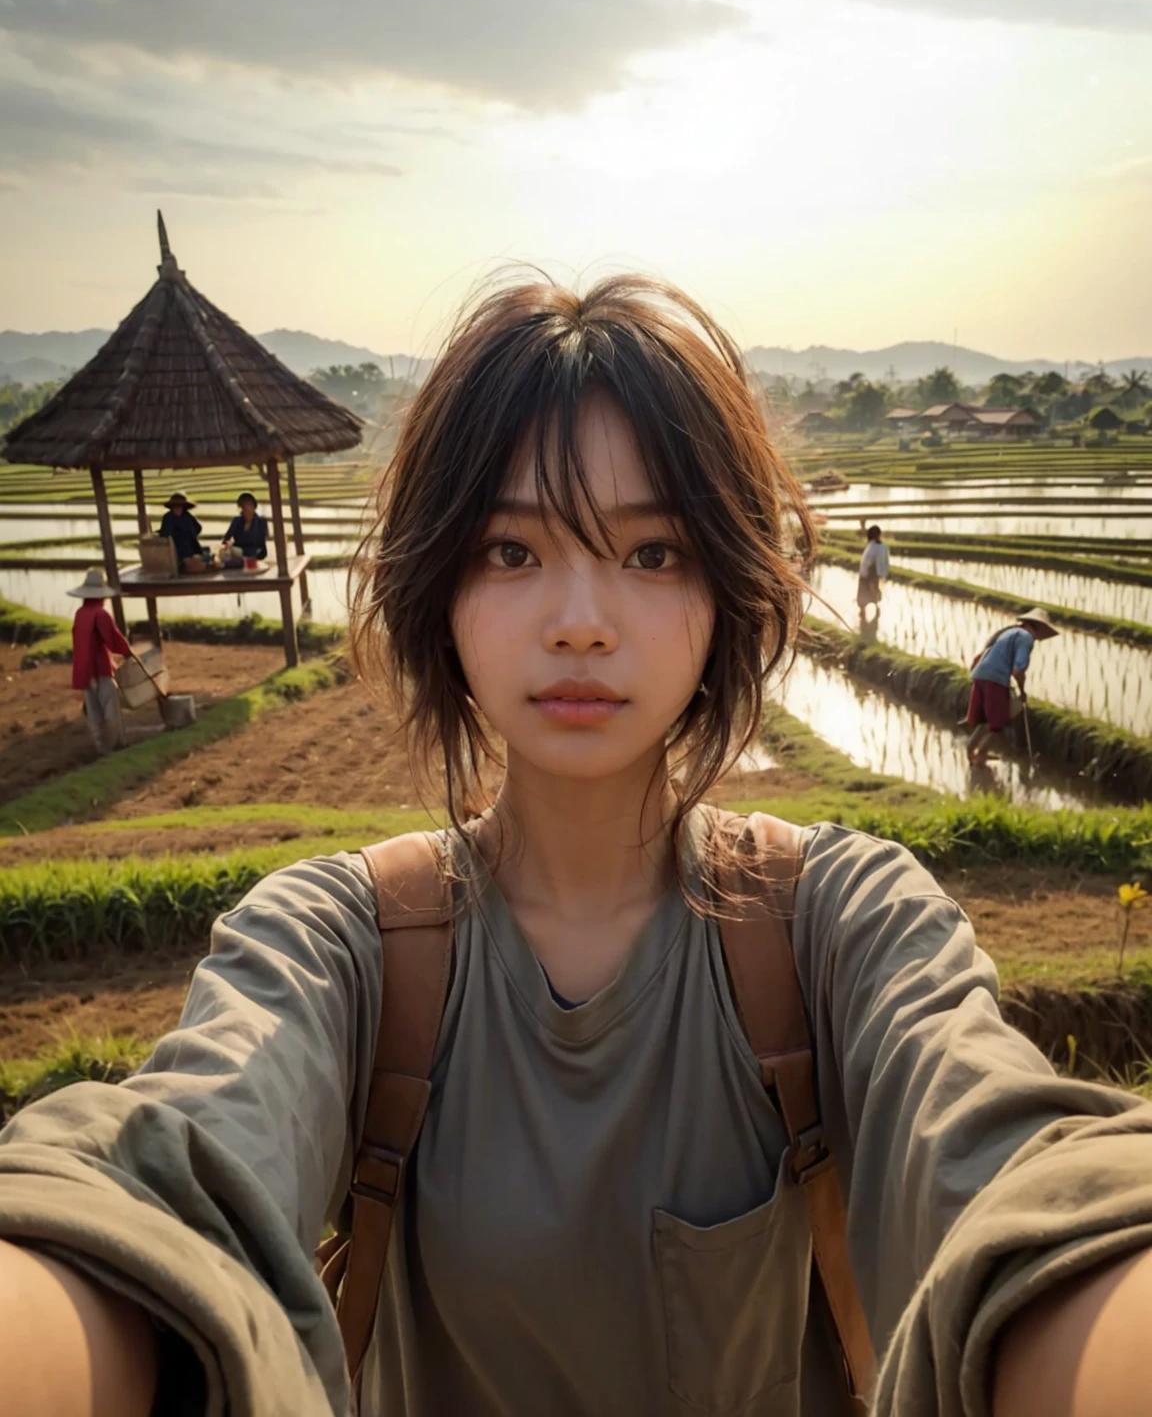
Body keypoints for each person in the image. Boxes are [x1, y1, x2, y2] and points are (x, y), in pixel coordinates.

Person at [3, 276, 1152, 1417]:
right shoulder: (334, 946)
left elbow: (1015, 1173)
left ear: (730, 590)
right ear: (439, 590)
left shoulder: (844, 922)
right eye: (511, 551)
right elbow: (159, 1190)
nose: (582, 620)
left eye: (653, 554)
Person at [966, 606, 1059, 765]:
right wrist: (1022, 691)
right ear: (1039, 627)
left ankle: (970, 750)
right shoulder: (1026, 638)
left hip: (980, 674)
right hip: (995, 679)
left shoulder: (1010, 632)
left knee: (984, 720)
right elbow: (1018, 670)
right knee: (997, 723)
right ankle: (980, 756)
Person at [68, 566, 132, 755]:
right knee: (110, 710)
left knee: (94, 714)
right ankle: (115, 745)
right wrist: (126, 650)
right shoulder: (101, 614)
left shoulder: (80, 614)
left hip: (85, 673)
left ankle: (102, 747)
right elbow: (112, 639)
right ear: (101, 596)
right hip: (101, 669)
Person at [157, 491, 203, 563]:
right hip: (175, 550)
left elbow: (198, 528)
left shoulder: (187, 516)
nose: (177, 509)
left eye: (179, 506)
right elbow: (165, 533)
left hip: (191, 549)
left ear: (183, 507)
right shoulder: (168, 517)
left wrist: (191, 536)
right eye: (175, 506)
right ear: (172, 508)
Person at [222, 491, 269, 560]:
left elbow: (260, 540)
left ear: (254, 506)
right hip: (239, 551)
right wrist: (228, 543)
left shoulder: (261, 521)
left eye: (248, 505)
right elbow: (227, 538)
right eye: (243, 507)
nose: (245, 510)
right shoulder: (237, 520)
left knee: (248, 553)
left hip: (255, 550)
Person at [856, 522, 889, 619]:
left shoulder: (872, 547)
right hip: (877, 574)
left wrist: (869, 575)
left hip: (869, 574)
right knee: (875, 593)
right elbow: (886, 562)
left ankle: (864, 613)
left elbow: (868, 562)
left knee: (865, 594)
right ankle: (875, 612)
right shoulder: (883, 546)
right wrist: (884, 574)